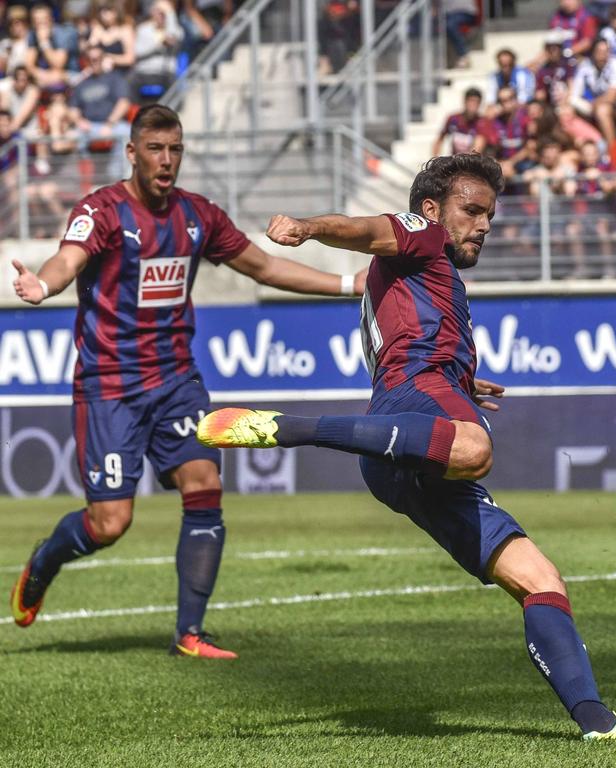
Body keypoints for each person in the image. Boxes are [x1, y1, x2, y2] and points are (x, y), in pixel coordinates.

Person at [195, 154, 616, 740]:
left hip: (400, 444)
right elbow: (370, 229)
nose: (483, 224)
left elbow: (405, 333)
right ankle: (293, 427)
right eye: (471, 210)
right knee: (474, 446)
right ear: (430, 210)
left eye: (489, 215)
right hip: (414, 409)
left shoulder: (425, 278)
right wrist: (311, 227)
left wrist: (464, 377)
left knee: (541, 579)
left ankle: (596, 721)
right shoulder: (421, 237)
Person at [8, 105, 356, 659]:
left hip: (176, 380)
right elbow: (67, 259)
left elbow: (263, 267)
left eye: (175, 150)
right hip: (111, 385)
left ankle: (189, 634)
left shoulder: (198, 215)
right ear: (132, 152)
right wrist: (43, 287)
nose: (166, 160)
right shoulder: (101, 210)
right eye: (155, 149)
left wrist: (346, 283)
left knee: (204, 484)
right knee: (110, 523)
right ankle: (44, 562)